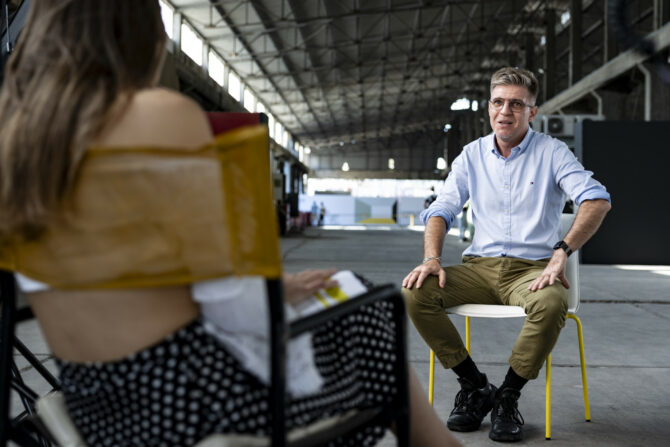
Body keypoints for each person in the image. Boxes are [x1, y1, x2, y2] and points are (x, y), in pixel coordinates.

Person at [0, 2, 460, 446]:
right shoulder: (163, 116)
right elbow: (237, 310)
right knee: (367, 304)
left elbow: (121, 287)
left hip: (94, 408)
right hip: (189, 407)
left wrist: (269, 292)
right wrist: (271, 294)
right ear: (140, 33)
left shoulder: (17, 136)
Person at [402, 67, 611, 443]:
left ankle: (508, 396)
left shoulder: (552, 152)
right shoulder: (471, 155)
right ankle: (475, 385)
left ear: (532, 111)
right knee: (415, 293)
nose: (505, 111)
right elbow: (441, 210)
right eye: (498, 102)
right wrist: (431, 258)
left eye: (517, 104)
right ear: (488, 107)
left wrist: (562, 250)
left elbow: (596, 200)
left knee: (551, 302)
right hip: (478, 269)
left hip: (530, 272)